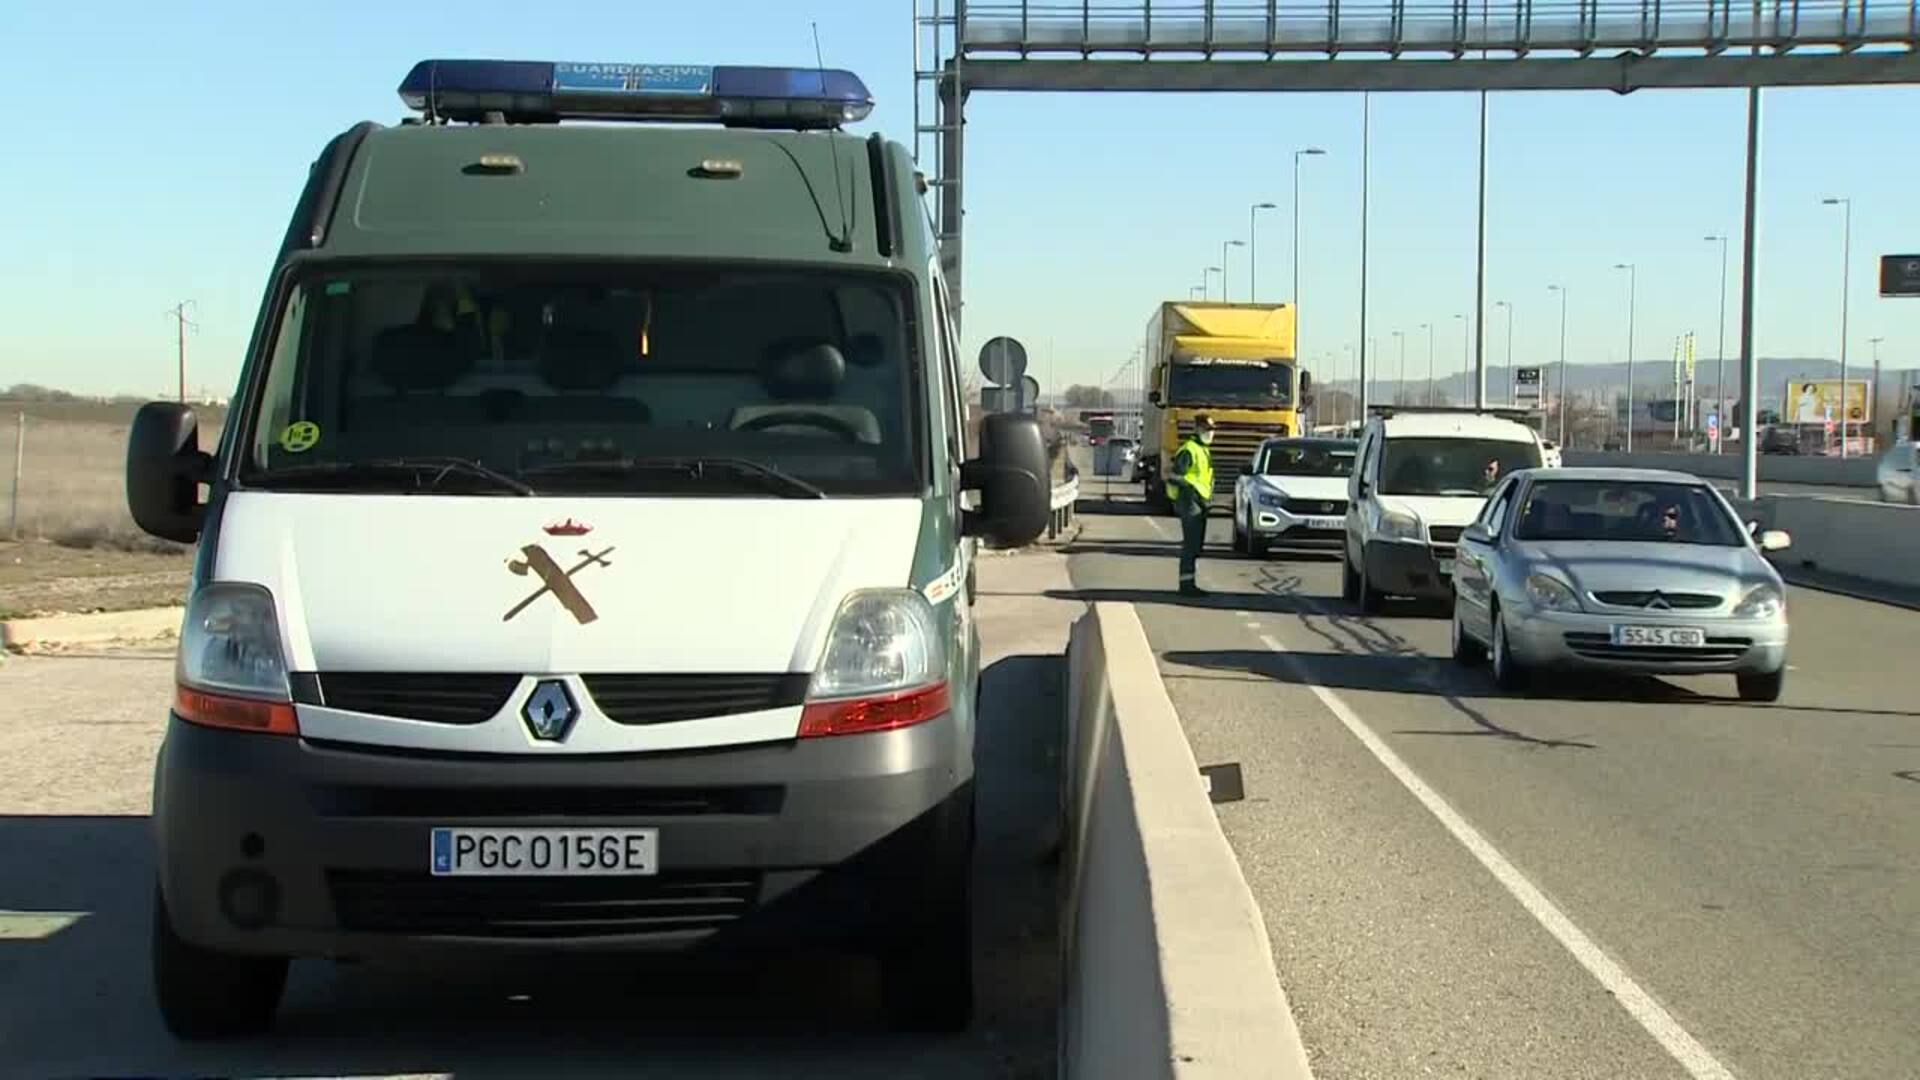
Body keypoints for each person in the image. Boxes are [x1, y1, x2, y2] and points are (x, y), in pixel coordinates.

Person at [1166, 414, 1216, 597]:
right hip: (1189, 501)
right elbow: (1174, 476)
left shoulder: (1203, 449)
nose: (1210, 434)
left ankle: (1189, 583)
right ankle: (1186, 586)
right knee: (1191, 544)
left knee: (1196, 545)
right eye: (1206, 430)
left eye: (1211, 430)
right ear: (1197, 429)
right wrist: (1191, 488)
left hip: (1200, 501)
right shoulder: (1189, 450)